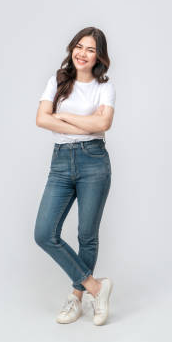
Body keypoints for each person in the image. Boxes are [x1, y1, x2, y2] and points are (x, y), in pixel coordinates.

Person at [34, 27, 116, 326]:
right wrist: (88, 124)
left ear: (99, 56)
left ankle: (77, 297)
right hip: (61, 161)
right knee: (44, 233)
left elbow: (104, 122)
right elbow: (41, 118)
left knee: (87, 235)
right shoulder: (57, 81)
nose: (82, 53)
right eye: (78, 47)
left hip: (94, 160)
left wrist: (63, 116)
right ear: (72, 49)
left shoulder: (104, 88)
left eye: (90, 49)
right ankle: (96, 287)